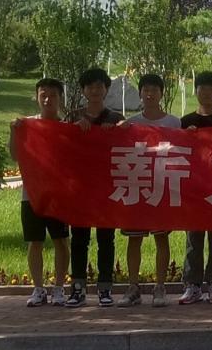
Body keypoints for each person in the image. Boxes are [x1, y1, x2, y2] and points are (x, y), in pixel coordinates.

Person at [116, 74, 182, 308]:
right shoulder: (131, 123)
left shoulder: (174, 122)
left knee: (161, 237)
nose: (150, 94)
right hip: (137, 184)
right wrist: (119, 130)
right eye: (146, 90)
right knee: (134, 239)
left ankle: (160, 287)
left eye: (154, 90)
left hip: (162, 185)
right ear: (140, 93)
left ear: (162, 93)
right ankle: (133, 287)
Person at [64, 68, 124, 308]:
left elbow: (127, 140)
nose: (95, 90)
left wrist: (117, 130)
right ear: (83, 90)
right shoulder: (73, 117)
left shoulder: (115, 117)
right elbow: (60, 145)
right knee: (79, 238)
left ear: (106, 89)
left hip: (106, 188)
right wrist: (73, 130)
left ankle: (105, 288)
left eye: (100, 86)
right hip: (79, 188)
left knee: (106, 239)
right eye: (90, 86)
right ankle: (77, 288)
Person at [10, 78, 71, 307]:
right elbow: (14, 155)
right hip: (32, 195)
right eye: (43, 95)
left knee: (61, 241)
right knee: (34, 242)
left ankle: (59, 288)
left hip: (59, 196)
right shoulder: (26, 126)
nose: (47, 99)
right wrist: (13, 132)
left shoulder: (67, 128)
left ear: (60, 98)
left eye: (53, 95)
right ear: (36, 97)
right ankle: (38, 288)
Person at [178, 71, 212, 305]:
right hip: (194, 188)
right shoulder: (185, 121)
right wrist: (185, 137)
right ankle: (192, 285)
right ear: (196, 91)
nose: (207, 93)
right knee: (194, 238)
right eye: (202, 88)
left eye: (211, 88)